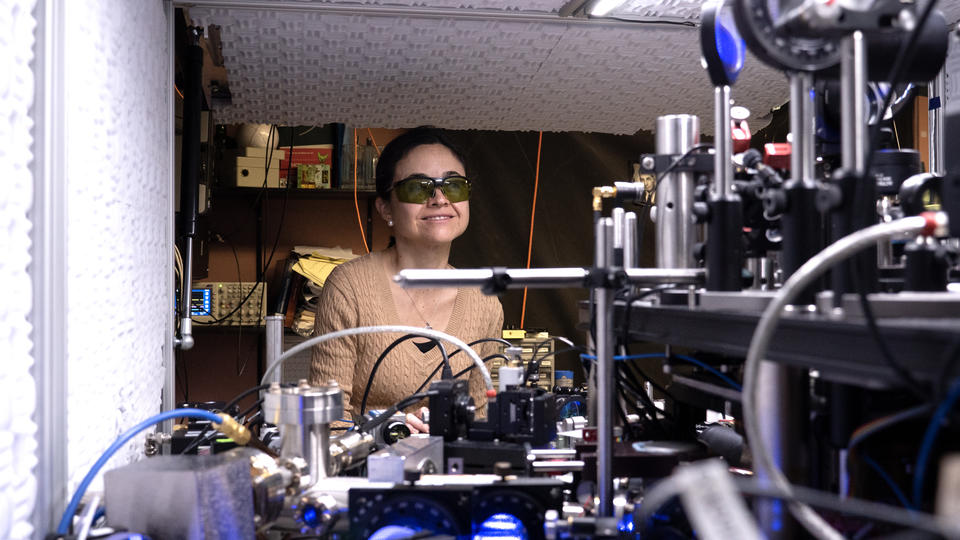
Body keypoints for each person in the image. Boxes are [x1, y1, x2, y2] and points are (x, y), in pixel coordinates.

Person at [309, 127, 504, 432]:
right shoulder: (349, 287)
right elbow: (325, 420)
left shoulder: (484, 300)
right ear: (385, 207)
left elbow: (478, 420)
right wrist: (385, 435)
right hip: (364, 472)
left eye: (453, 186)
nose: (439, 199)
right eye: (418, 187)